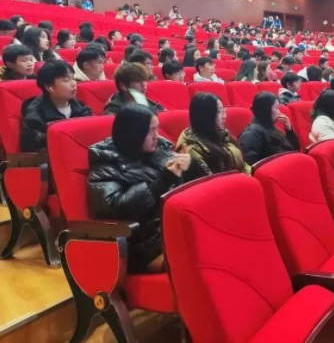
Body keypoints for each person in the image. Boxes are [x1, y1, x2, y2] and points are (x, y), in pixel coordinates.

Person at [87, 105, 198, 273]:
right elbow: (115, 207)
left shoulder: (159, 151)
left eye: (157, 129)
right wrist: (163, 180)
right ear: (134, 133)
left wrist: (191, 167)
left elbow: (188, 188)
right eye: (151, 131)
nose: (156, 136)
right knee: (203, 259)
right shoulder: (106, 163)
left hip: (175, 229)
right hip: (143, 245)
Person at [20, 61, 92, 152]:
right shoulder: (34, 118)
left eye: (73, 78)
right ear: (49, 87)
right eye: (66, 80)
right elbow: (35, 152)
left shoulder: (82, 109)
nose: (74, 83)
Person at [177, 93, 250, 177]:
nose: (224, 116)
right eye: (219, 112)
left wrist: (252, 174)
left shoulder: (222, 135)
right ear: (205, 117)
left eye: (223, 111)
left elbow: (243, 166)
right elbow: (210, 181)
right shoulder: (192, 150)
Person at [239, 92, 300, 165]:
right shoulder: (250, 134)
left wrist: (289, 131)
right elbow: (252, 166)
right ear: (265, 110)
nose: (279, 112)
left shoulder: (270, 127)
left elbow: (294, 151)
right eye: (277, 108)